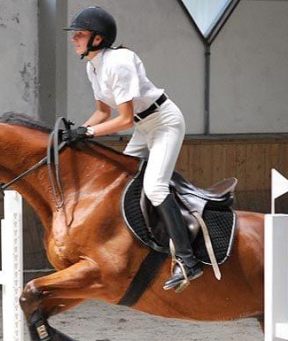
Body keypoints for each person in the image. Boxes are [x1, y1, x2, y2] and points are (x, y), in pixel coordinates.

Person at [64, 6, 202, 290]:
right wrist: (75, 133)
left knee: (155, 187)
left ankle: (189, 261)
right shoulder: (93, 66)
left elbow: (123, 119)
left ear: (98, 39)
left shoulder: (119, 61)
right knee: (120, 180)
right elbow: (102, 113)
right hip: (144, 125)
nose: (74, 38)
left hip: (164, 122)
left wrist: (88, 132)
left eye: (79, 33)